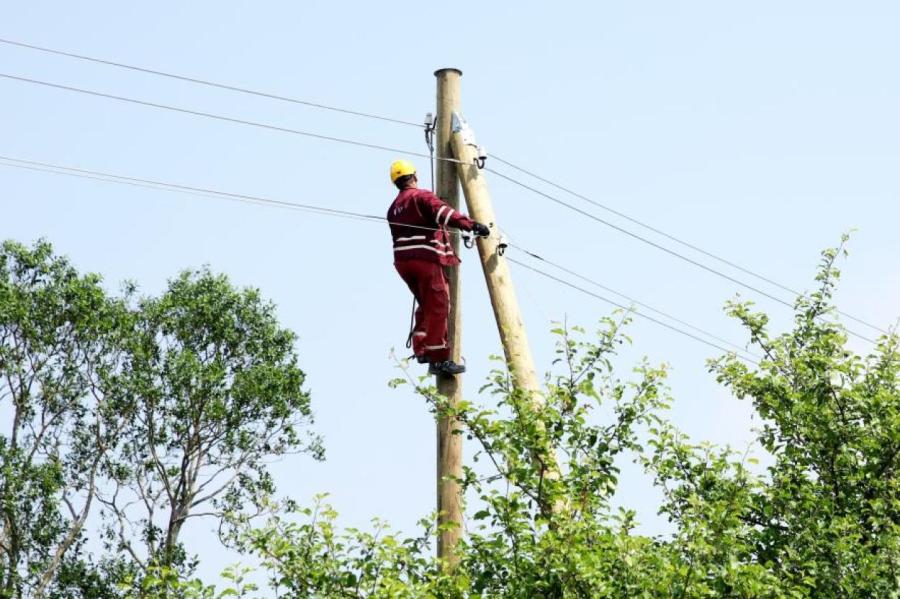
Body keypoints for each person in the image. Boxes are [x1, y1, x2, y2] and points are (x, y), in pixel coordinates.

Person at [387, 159, 490, 376]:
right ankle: (439, 359)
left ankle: (422, 347)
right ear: (414, 176)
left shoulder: (393, 208)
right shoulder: (421, 196)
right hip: (425, 258)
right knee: (438, 305)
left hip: (404, 263)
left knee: (427, 302)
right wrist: (473, 225)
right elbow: (446, 214)